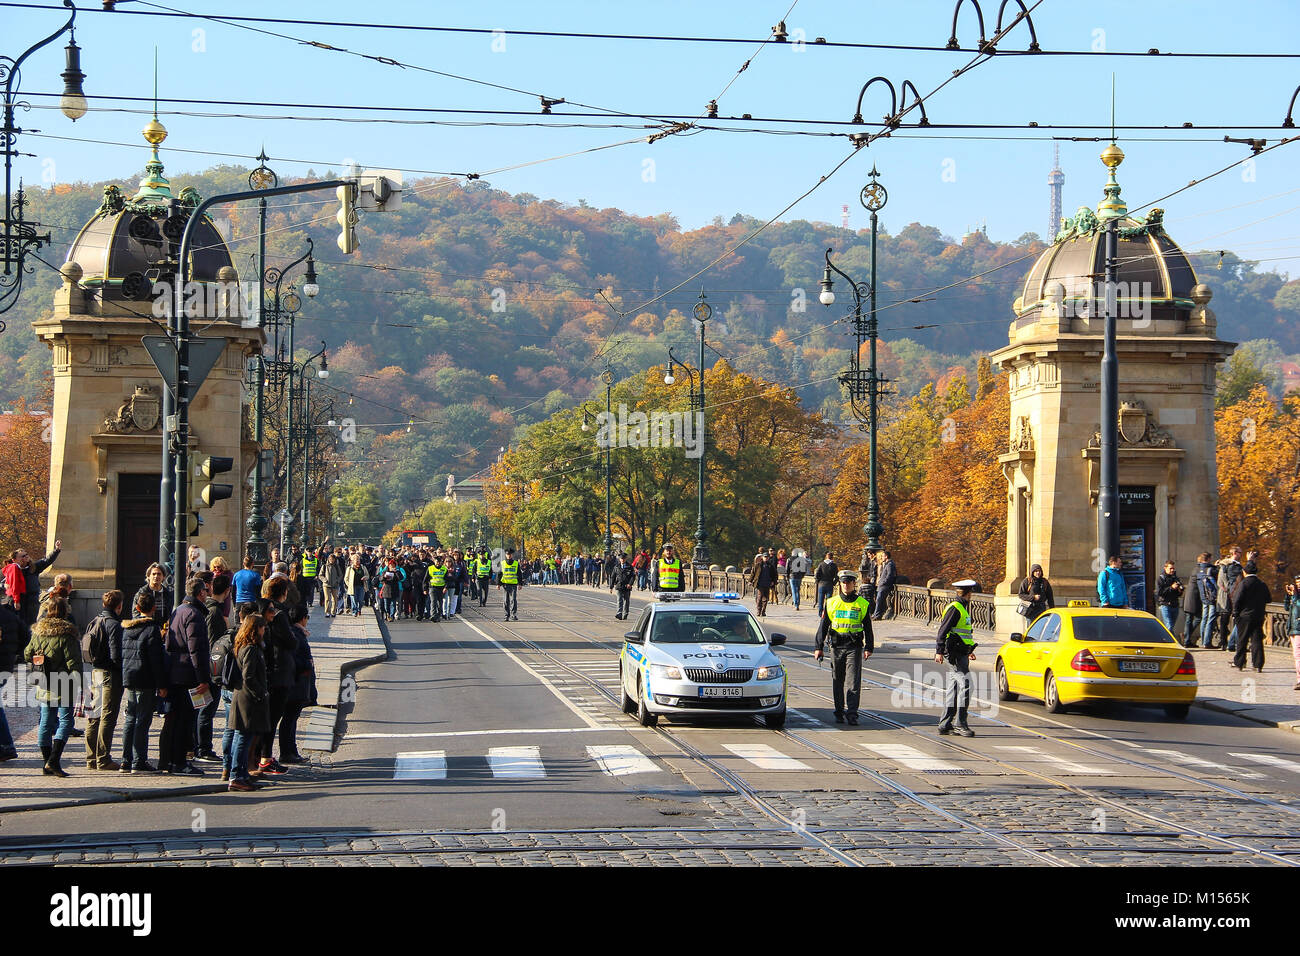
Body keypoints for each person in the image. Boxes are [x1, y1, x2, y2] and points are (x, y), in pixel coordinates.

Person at [159, 576, 212, 776]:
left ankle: (169, 760)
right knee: (184, 719)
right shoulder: (194, 614)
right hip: (188, 673)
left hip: (175, 671)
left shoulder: (178, 611)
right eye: (205, 591)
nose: (207, 594)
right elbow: (196, 649)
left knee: (174, 718)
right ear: (200, 593)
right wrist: (203, 678)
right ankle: (180, 761)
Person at [25, 595, 81, 776]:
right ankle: (54, 761)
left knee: (45, 722)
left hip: (43, 682)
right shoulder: (68, 634)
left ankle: (46, 762)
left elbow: (27, 654)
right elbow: (74, 663)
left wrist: (40, 656)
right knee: (66, 721)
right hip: (64, 683)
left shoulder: (38, 632)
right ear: (65, 611)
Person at [813, 569, 875, 725]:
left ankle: (852, 714)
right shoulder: (831, 602)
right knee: (837, 681)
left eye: (849, 582)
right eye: (843, 582)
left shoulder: (862, 604)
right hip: (836, 646)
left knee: (853, 682)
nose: (846, 585)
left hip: (854, 646)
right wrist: (818, 647)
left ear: (854, 584)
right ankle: (839, 711)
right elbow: (823, 626)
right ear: (840, 584)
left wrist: (869, 647)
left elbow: (868, 627)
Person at [119, 590, 165, 773]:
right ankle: (139, 760)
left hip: (129, 676)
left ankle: (125, 760)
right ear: (153, 608)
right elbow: (155, 661)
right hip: (145, 678)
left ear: (137, 608)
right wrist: (161, 684)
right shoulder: (152, 629)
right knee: (143, 720)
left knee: (130, 718)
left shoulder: (127, 628)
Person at [82, 590, 125, 771]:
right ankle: (103, 759)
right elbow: (116, 655)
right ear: (119, 606)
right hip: (109, 674)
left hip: (95, 672)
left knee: (94, 715)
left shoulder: (95, 620)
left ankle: (91, 758)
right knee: (107, 716)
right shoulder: (114, 624)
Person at [227, 613, 270, 793]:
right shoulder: (251, 649)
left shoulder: (243, 645)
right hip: (248, 699)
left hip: (243, 696)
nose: (264, 631)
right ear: (255, 629)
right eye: (262, 627)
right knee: (243, 737)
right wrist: (261, 693)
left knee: (242, 737)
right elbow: (249, 676)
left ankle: (241, 774)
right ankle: (237, 776)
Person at [934, 579, 978, 737]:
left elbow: (963, 633)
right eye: (971, 592)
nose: (972, 594)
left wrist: (969, 649)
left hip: (961, 653)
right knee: (967, 685)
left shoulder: (961, 608)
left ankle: (945, 723)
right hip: (954, 654)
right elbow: (943, 631)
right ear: (968, 593)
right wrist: (939, 650)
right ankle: (960, 723)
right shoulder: (956, 608)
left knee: (953, 688)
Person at [194, 574, 230, 764]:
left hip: (203, 666)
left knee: (202, 708)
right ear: (227, 591)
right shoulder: (214, 612)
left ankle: (198, 747)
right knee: (206, 709)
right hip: (211, 668)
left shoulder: (206, 608)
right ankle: (203, 748)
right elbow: (217, 644)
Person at [279, 604, 316, 763]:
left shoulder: (296, 633)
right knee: (289, 719)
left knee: (291, 719)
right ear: (302, 618)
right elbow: (293, 659)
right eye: (307, 617)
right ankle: (287, 752)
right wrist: (307, 664)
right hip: (295, 683)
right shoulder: (296, 634)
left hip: (297, 683)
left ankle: (291, 751)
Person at [1230, 561, 1273, 673]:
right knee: (1257, 640)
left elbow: (1236, 600)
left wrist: (1235, 613)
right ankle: (1258, 664)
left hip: (1244, 616)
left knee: (1242, 640)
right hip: (1258, 615)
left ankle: (1240, 662)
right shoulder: (1262, 584)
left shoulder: (1243, 584)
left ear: (1244, 572)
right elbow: (1269, 599)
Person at [0, 589, 27, 762]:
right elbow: (26, 637)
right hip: (5, 666)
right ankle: (6, 745)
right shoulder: (9, 615)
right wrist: (12, 653)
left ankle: (7, 745)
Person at [11, 539, 62, 625]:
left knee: (30, 625)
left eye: (26, 554)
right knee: (17, 624)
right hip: (17, 602)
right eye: (23, 556)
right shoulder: (12, 570)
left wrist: (56, 550)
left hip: (32, 601)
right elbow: (4, 582)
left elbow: (47, 561)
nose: (26, 556)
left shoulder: (33, 568)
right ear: (15, 559)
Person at [1181, 552, 1208, 647]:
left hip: (1193, 598)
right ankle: (1186, 639)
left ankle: (1186, 636)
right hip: (1192, 598)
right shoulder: (1199, 570)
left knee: (1195, 618)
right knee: (1192, 619)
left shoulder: (1196, 569)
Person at [1155, 561, 1184, 636]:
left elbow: (1179, 594)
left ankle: (1168, 640)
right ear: (1165, 568)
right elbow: (1160, 592)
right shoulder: (1161, 578)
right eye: (1170, 568)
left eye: (1173, 568)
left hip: (1175, 605)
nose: (1172, 570)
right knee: (1169, 627)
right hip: (1165, 605)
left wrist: (1180, 590)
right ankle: (1170, 643)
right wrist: (1171, 587)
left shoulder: (1175, 577)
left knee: (1171, 626)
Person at [873, 551, 897, 621]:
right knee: (879, 600)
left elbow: (890, 575)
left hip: (884, 586)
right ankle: (877, 615)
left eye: (883, 556)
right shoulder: (887, 564)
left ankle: (877, 615)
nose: (881, 558)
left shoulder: (890, 564)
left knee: (879, 600)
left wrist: (883, 582)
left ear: (886, 556)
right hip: (882, 585)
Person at [611, 552, 635, 620]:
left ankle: (625, 613)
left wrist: (630, 584)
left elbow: (633, 576)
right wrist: (611, 586)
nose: (622, 560)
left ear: (626, 559)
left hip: (627, 586)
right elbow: (613, 577)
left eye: (623, 558)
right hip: (619, 585)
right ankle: (619, 613)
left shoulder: (630, 567)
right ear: (619, 559)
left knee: (626, 600)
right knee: (619, 600)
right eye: (621, 558)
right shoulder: (616, 567)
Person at [748, 550, 773, 616]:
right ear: (762, 557)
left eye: (767, 557)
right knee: (759, 597)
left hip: (767, 583)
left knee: (765, 598)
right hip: (760, 583)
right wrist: (750, 581)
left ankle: (763, 611)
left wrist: (773, 581)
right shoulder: (758, 565)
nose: (766, 558)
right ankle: (758, 610)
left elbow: (774, 575)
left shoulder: (770, 566)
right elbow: (753, 574)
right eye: (765, 557)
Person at [1286, 575, 1300, 691]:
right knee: (1296, 656)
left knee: (1298, 656)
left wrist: (1294, 595)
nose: (1298, 584)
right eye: (1297, 582)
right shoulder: (1294, 595)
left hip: (1298, 629)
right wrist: (1287, 596)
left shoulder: (1297, 597)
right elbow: (1287, 608)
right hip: (1293, 629)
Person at [500, 548, 520, 621]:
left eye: (510, 554)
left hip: (513, 585)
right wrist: (498, 584)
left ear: (512, 555)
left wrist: (520, 583)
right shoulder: (502, 563)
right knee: (506, 600)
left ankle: (513, 614)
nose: (509, 556)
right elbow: (500, 574)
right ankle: (506, 615)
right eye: (507, 554)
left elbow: (519, 574)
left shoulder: (516, 563)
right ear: (506, 555)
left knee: (513, 600)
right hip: (505, 584)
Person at [321, 552, 342, 618]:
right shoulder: (324, 566)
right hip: (326, 585)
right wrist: (325, 580)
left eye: (333, 559)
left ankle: (333, 612)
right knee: (327, 599)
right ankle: (327, 612)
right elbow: (320, 575)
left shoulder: (336, 566)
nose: (331, 560)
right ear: (328, 559)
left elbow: (340, 575)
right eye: (330, 559)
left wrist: (337, 581)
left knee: (334, 599)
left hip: (334, 584)